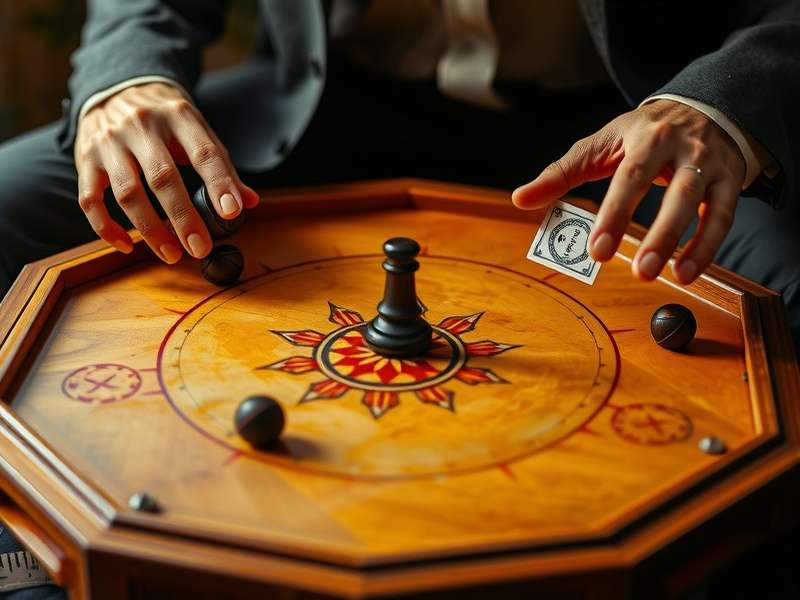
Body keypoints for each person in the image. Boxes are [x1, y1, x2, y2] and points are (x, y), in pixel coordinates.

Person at [0, 1, 798, 598]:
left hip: (608, 135)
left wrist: (719, 106)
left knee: (786, 301)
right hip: (316, 116)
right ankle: (22, 566)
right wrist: (122, 80)